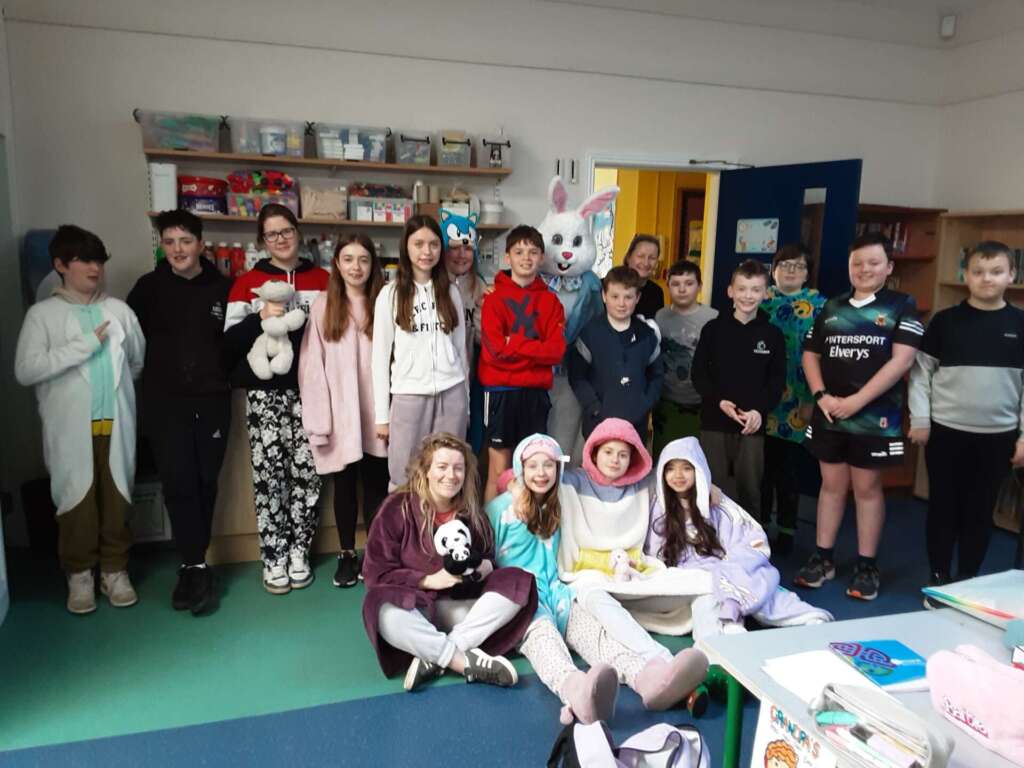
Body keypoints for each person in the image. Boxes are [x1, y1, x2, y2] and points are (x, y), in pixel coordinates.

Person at [15, 225, 145, 614]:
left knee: (118, 499)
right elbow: (27, 370)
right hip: (72, 428)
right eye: (84, 260)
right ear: (60, 265)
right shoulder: (43, 316)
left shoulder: (119, 311)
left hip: (115, 424)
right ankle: (80, 576)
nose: (94, 269)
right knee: (76, 502)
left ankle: (115, 571)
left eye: (99, 261)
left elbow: (136, 362)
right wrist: (85, 345)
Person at [798, 232, 923, 601]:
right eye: (858, 263)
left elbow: (902, 361)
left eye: (873, 262)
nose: (864, 269)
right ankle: (823, 558)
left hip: (874, 418)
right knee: (831, 485)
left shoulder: (902, 305)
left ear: (889, 266)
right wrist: (821, 396)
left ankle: (867, 565)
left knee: (866, 489)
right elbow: (810, 354)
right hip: (830, 414)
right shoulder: (832, 306)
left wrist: (856, 402)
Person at [361, 432, 537, 692]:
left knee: (518, 580)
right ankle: (461, 661)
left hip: (465, 611)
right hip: (417, 610)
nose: (451, 475)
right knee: (377, 605)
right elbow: (376, 573)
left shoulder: (471, 511)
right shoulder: (397, 508)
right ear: (426, 471)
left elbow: (488, 557)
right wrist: (427, 580)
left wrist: (484, 567)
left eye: (458, 468)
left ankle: (435, 656)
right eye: (442, 467)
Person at [558, 418, 710, 711]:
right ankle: (663, 661)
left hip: (635, 569)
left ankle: (711, 657)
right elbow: (538, 473)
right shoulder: (574, 481)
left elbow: (676, 478)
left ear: (633, 459)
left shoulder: (643, 484)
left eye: (623, 454)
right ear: (594, 452)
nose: (615, 460)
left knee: (704, 584)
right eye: (608, 452)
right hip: (589, 574)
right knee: (593, 597)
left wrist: (711, 487)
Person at [127, 210, 231, 614]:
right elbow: (131, 342)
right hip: (165, 403)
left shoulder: (223, 288)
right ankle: (192, 565)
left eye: (185, 241)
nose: (177, 249)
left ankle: (197, 561)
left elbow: (237, 341)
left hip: (212, 401)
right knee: (178, 482)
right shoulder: (147, 288)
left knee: (205, 481)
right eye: (169, 242)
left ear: (200, 244)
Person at [909, 240, 1024, 600]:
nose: (987, 278)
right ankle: (939, 576)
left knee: (980, 511)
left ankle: (968, 579)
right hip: (946, 432)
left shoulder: (1020, 324)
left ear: (1011, 275)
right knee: (943, 506)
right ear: (966, 276)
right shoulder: (945, 321)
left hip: (998, 436)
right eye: (978, 271)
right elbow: (920, 375)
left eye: (996, 271)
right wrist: (920, 418)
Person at [224, 204, 329, 595]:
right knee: (270, 478)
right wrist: (260, 316)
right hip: (264, 395)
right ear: (261, 241)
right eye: (272, 234)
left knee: (308, 475)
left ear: (298, 233)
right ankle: (274, 557)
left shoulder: (323, 279)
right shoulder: (246, 284)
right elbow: (229, 344)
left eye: (286, 231)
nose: (281, 239)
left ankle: (300, 552)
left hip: (312, 392)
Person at [485, 434, 618, 724]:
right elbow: (484, 556)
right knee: (544, 641)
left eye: (548, 465)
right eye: (533, 466)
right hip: (521, 600)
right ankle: (577, 693)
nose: (541, 473)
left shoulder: (562, 503)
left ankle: (646, 676)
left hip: (559, 594)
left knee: (596, 634)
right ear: (521, 469)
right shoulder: (499, 510)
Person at [647, 437, 831, 642]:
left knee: (758, 583)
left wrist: (730, 568)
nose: (678, 475)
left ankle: (803, 616)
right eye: (670, 469)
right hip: (690, 577)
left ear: (699, 470)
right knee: (706, 600)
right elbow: (655, 552)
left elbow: (746, 537)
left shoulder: (717, 504)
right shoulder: (659, 509)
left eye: (687, 468)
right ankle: (724, 630)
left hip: (725, 567)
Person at [299, 234, 389, 589]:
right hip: (341, 415)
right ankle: (347, 553)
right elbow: (312, 367)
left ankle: (375, 552)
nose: (356, 267)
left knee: (377, 485)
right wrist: (320, 421)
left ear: (373, 265)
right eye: (348, 259)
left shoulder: (384, 302)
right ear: (336, 263)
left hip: (377, 412)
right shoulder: (323, 306)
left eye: (363, 259)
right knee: (345, 484)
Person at [372, 216, 468, 489]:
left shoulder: (451, 292)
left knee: (448, 474)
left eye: (434, 244)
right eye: (419, 244)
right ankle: (406, 519)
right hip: (409, 396)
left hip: (452, 394)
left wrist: (466, 400)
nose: (427, 251)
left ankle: (444, 519)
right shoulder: (390, 294)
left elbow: (461, 350)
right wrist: (382, 416)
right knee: (404, 474)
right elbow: (379, 359)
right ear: (406, 247)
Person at [691, 259, 785, 519]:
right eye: (742, 289)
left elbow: (776, 381)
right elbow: (699, 374)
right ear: (730, 291)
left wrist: (759, 411)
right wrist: (719, 400)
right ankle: (710, 535)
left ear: (766, 293)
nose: (748, 296)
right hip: (714, 421)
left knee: (750, 490)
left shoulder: (773, 335)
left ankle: (750, 539)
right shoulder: (713, 329)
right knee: (712, 487)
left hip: (751, 426)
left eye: (756, 290)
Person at [478, 225, 566, 501]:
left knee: (534, 469)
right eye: (519, 252)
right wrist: (536, 353)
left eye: (533, 252)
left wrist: (513, 343)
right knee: (499, 471)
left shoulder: (551, 302)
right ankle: (492, 526)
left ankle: (530, 523)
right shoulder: (494, 299)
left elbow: (556, 352)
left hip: (535, 395)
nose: (526, 258)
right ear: (508, 257)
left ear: (542, 258)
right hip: (501, 394)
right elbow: (494, 352)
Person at [759, 244, 826, 555]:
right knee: (761, 469)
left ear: (807, 272)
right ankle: (758, 527)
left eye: (798, 266)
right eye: (784, 264)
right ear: (773, 270)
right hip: (761, 399)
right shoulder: (760, 299)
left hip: (799, 400)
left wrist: (813, 397)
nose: (790, 271)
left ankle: (787, 530)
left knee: (788, 471)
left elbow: (823, 356)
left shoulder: (820, 306)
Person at [569, 265, 663, 440]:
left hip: (636, 426)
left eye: (628, 297)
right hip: (598, 425)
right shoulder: (589, 333)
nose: (621, 303)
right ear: (604, 296)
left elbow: (657, 376)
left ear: (637, 298)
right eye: (615, 296)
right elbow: (577, 377)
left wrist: (644, 405)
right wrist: (595, 408)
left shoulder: (647, 335)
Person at [653, 259, 718, 455]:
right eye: (675, 284)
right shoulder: (660, 316)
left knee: (695, 457)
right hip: (666, 401)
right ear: (668, 286)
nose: (682, 289)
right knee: (664, 455)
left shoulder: (713, 318)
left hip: (701, 403)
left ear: (699, 286)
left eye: (689, 283)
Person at [441, 212, 486, 452]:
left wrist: (487, 310)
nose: (461, 254)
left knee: (471, 438)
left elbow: (482, 337)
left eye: (467, 248)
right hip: (441, 377)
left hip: (472, 374)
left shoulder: (480, 285)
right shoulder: (434, 285)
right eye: (454, 247)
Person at [623, 234, 665, 320]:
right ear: (628, 257)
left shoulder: (657, 292)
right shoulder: (607, 285)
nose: (646, 263)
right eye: (641, 256)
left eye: (652, 258)